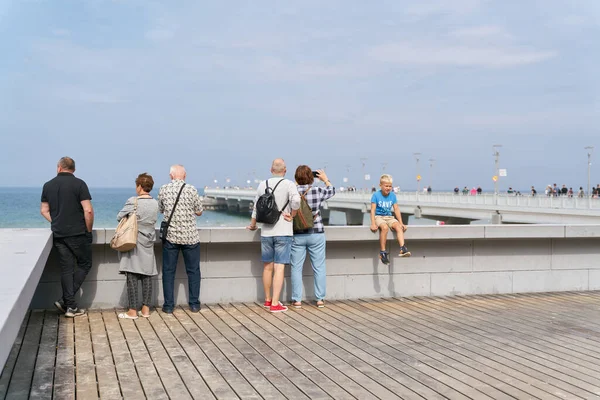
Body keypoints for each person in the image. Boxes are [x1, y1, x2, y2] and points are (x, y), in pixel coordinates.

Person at [40, 157, 94, 318]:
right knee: (85, 264)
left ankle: (69, 305)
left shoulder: (48, 185)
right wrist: (88, 230)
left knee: (66, 269)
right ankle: (67, 303)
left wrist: (56, 221)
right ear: (74, 170)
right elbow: (88, 210)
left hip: (59, 233)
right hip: (78, 233)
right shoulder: (79, 184)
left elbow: (44, 210)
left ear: (59, 168)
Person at [247, 158, 300, 313]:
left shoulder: (263, 184)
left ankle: (268, 300)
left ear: (271, 170)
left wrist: (252, 225)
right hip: (283, 231)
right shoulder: (289, 184)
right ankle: (276, 303)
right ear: (285, 170)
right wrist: (293, 214)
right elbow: (296, 201)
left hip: (266, 232)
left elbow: (256, 207)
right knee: (279, 267)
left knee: (267, 267)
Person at [158, 165, 203, 314]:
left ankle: (169, 306)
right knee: (193, 271)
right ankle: (194, 303)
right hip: (190, 236)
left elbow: (161, 209)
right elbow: (199, 211)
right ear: (184, 176)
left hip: (171, 236)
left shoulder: (164, 189)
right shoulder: (191, 189)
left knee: (168, 271)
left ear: (171, 175)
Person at [290, 166, 335, 309]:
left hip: (297, 233)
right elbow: (332, 191)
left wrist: (296, 183)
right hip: (316, 232)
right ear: (312, 177)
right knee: (319, 267)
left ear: (296, 178)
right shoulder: (317, 190)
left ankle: (297, 300)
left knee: (296, 268)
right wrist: (325, 179)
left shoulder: (292, 191)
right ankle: (320, 299)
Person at [116, 173, 159, 319]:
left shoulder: (133, 201)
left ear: (139, 186)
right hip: (149, 241)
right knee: (147, 274)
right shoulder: (155, 203)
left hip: (134, 241)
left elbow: (119, 216)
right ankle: (146, 310)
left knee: (132, 274)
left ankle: (132, 311)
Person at [370, 174, 410, 265]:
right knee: (384, 228)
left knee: (398, 227)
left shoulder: (392, 196)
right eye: (386, 186)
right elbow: (372, 210)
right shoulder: (376, 195)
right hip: (378, 217)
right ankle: (383, 252)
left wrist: (401, 223)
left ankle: (402, 248)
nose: (388, 188)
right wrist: (373, 223)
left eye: (390, 186)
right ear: (380, 185)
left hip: (389, 217)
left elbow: (396, 209)